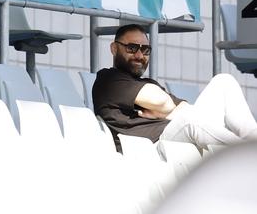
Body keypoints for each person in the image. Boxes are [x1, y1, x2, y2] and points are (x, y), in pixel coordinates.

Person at [93, 24, 257, 153]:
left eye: (145, 50)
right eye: (132, 48)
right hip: (151, 144)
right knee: (191, 124)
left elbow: (183, 108)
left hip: (173, 133)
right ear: (114, 48)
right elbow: (163, 102)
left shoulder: (148, 83)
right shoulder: (108, 79)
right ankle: (246, 155)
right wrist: (166, 109)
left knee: (223, 81)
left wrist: (165, 111)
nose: (139, 55)